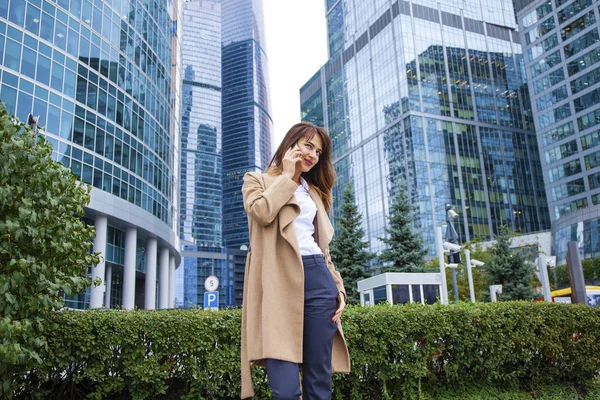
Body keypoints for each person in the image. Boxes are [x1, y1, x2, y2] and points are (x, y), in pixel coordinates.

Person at [240, 122, 351, 399]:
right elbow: (262, 212)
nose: (313, 154)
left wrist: (338, 288)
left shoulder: (314, 192)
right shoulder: (257, 180)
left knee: (318, 381)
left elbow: (322, 248)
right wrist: (287, 177)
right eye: (308, 145)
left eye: (318, 151)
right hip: (277, 282)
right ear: (290, 144)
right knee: (286, 389)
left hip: (317, 279)